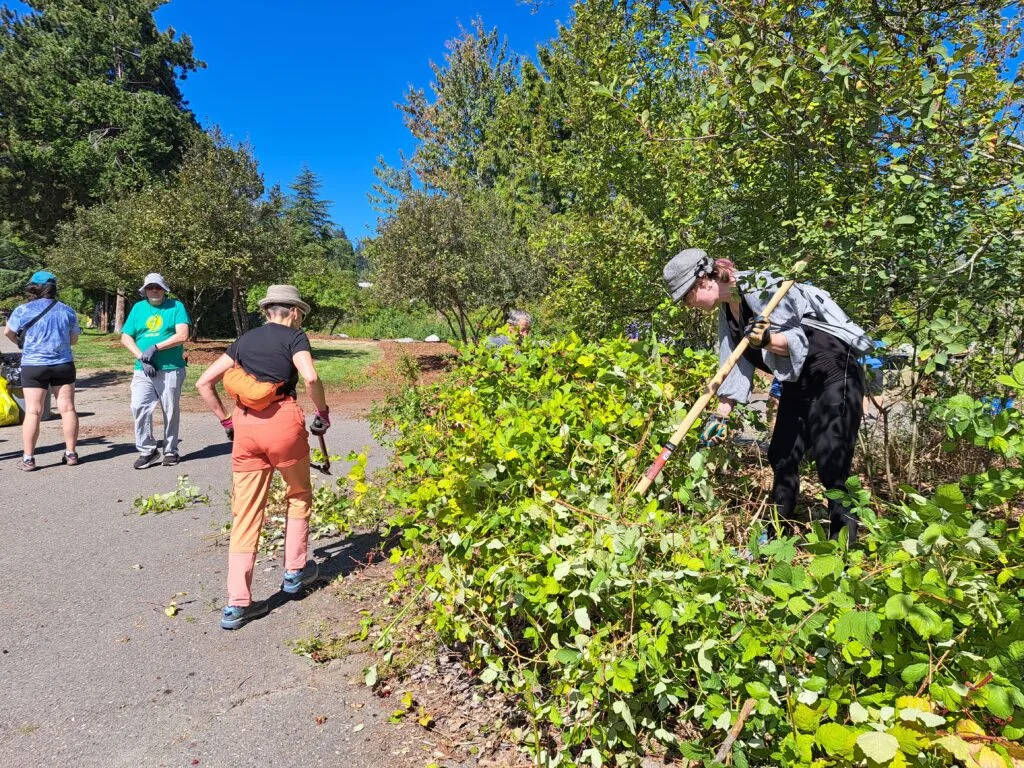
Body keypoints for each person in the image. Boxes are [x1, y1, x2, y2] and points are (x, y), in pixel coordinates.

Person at [664, 248, 866, 542]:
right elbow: (734, 361)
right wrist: (720, 414)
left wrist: (769, 339)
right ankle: (775, 537)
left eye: (686, 297)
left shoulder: (762, 287)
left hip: (834, 373)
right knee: (782, 455)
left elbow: (796, 341)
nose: (687, 305)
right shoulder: (728, 306)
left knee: (831, 461)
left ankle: (845, 547)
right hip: (797, 383)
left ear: (703, 282)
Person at [195, 285, 329, 630]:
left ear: (267, 310)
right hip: (282, 423)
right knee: (298, 494)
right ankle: (295, 572)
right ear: (295, 312)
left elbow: (204, 383)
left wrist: (226, 421)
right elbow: (311, 375)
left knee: (246, 513)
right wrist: (322, 411)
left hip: (245, 429)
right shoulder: (295, 338)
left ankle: (237, 604)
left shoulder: (244, 341)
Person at [3, 271, 81, 470]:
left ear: (34, 287)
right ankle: (71, 454)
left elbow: (8, 333)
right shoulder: (67, 311)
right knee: (68, 408)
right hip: (62, 364)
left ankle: (29, 458)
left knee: (33, 411)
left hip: (34, 365)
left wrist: (22, 343)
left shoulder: (22, 310)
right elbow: (74, 340)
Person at [120, 273, 190, 468]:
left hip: (171, 367)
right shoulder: (138, 308)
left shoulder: (176, 306)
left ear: (164, 289)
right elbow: (126, 337)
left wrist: (155, 348)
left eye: (158, 287)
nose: (154, 290)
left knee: (170, 408)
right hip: (143, 369)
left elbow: (182, 334)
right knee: (139, 406)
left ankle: (170, 450)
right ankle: (147, 450)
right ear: (145, 290)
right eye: (150, 287)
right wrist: (142, 357)